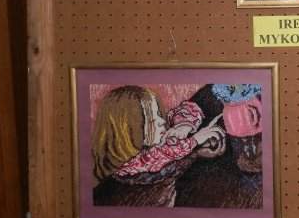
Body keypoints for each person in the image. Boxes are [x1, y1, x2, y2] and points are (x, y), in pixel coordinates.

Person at [91, 85, 225, 207]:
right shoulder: (133, 167)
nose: (162, 121)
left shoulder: (155, 140)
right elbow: (162, 154)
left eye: (159, 114)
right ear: (129, 131)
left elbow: (185, 110)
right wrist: (195, 140)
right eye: (151, 120)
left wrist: (183, 125)